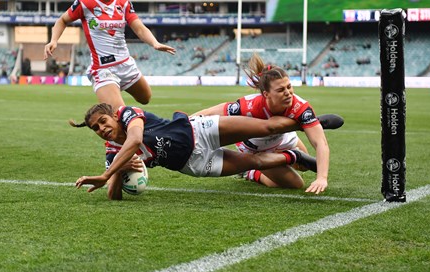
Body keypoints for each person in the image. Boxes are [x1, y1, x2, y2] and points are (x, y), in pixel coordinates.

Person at [72, 103, 317, 200]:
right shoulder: (112, 153)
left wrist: (105, 175)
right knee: (255, 162)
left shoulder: (127, 113)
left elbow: (135, 139)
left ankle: (309, 121)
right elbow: (114, 196)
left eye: (103, 121)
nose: (102, 129)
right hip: (194, 164)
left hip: (198, 130)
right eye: (96, 128)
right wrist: (116, 173)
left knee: (266, 128)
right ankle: (293, 156)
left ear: (114, 116)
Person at [192, 53, 339, 194]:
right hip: (256, 149)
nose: (288, 93)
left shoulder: (300, 107)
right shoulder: (249, 105)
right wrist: (186, 122)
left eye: (289, 86)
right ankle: (250, 172)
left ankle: (285, 156)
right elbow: (213, 111)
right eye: (281, 90)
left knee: (303, 166)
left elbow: (321, 143)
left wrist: (322, 178)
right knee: (296, 184)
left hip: (284, 138)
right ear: (266, 94)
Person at [44, 0, 176, 110]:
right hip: (103, 69)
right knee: (120, 114)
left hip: (125, 64)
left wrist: (154, 43)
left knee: (145, 98)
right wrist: (54, 40)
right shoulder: (85, 3)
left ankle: (112, 97)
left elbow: (139, 28)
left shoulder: (124, 3)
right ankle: (110, 103)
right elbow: (62, 20)